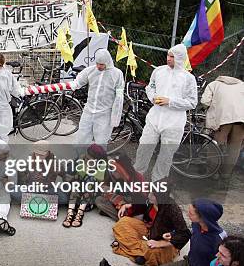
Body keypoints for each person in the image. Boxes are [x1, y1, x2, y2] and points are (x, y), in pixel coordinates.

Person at [96, 199, 227, 266]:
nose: (188, 213)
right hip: (188, 262)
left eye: (191, 213)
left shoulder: (220, 240)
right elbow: (187, 234)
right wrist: (172, 235)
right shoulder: (197, 225)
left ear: (203, 217)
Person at [134, 44, 198, 181]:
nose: (168, 59)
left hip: (174, 124)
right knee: (143, 149)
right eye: (168, 55)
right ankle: (136, 178)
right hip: (154, 119)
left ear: (180, 58)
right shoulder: (158, 71)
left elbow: (192, 102)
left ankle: (157, 186)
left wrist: (170, 101)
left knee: (165, 156)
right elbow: (149, 87)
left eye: (172, 57)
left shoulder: (188, 78)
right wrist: (153, 97)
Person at [111, 187, 191, 266]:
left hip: (163, 239)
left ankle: (131, 247)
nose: (149, 195)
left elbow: (185, 234)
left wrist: (160, 243)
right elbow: (141, 205)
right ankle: (141, 252)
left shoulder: (172, 209)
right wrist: (127, 205)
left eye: (152, 194)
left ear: (159, 197)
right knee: (122, 223)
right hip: (149, 230)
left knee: (155, 253)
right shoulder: (151, 201)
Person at [70, 48, 124, 147]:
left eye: (102, 64)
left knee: (101, 142)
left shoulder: (117, 74)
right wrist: (74, 85)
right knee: (82, 138)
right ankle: (79, 158)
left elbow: (119, 97)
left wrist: (115, 117)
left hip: (105, 113)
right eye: (97, 63)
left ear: (107, 62)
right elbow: (79, 80)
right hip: (89, 111)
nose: (99, 66)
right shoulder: (90, 71)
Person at [200, 76, 244, 188]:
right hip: (241, 120)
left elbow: (204, 101)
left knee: (216, 146)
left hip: (222, 119)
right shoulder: (242, 85)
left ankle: (212, 174)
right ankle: (225, 177)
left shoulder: (214, 84)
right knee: (234, 148)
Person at [62, 144, 110, 228]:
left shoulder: (103, 168)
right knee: (76, 183)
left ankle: (79, 215)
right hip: (74, 194)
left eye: (90, 160)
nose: (87, 161)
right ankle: (70, 213)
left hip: (89, 197)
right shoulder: (79, 161)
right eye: (86, 158)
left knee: (90, 179)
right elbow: (67, 178)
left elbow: (102, 187)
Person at [94, 153, 145, 221]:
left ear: (122, 171)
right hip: (119, 201)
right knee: (99, 200)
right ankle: (122, 217)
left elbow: (140, 201)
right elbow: (105, 187)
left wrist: (123, 203)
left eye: (115, 170)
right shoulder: (114, 176)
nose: (113, 172)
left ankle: (125, 219)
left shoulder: (137, 178)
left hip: (132, 204)